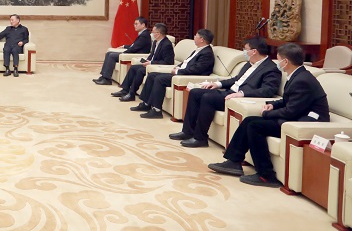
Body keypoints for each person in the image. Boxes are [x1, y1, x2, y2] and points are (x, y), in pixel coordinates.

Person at [208, 43, 329, 187]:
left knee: (255, 126)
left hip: (305, 122)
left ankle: (266, 175)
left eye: (279, 59)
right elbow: (287, 100)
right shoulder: (297, 75)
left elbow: (291, 111)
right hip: (296, 116)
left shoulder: (302, 80)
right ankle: (234, 161)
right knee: (249, 121)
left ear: (286, 61)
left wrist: (267, 113)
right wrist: (273, 105)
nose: (278, 63)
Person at [171, 37, 281, 148]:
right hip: (229, 92)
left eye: (245, 49)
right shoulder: (249, 63)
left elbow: (268, 90)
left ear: (254, 51)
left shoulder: (271, 68)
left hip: (239, 97)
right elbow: (236, 79)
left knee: (208, 97)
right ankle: (187, 131)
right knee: (195, 92)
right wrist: (218, 84)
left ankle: (200, 138)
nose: (244, 52)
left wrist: (242, 93)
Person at [131, 28, 216, 119]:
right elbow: (186, 62)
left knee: (159, 79)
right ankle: (146, 103)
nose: (194, 37)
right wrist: (177, 67)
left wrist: (178, 71)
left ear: (202, 39)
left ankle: (156, 110)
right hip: (180, 73)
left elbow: (196, 69)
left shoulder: (207, 53)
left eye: (196, 35)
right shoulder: (198, 50)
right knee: (152, 75)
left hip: (186, 76)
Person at [111, 23, 174, 101]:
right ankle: (125, 90)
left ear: (158, 34)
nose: (152, 34)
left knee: (140, 70)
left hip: (157, 67)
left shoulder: (167, 45)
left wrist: (151, 63)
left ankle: (132, 93)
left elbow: (168, 62)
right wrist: (147, 60)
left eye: (153, 32)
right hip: (151, 64)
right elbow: (152, 55)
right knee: (134, 67)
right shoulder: (155, 42)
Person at [93, 17, 151, 85]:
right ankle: (103, 76)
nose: (134, 25)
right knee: (109, 53)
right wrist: (124, 46)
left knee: (112, 55)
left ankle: (107, 79)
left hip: (137, 55)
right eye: (134, 24)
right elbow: (134, 46)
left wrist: (123, 53)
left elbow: (134, 48)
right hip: (133, 52)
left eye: (136, 24)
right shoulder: (143, 33)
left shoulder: (144, 35)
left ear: (143, 25)